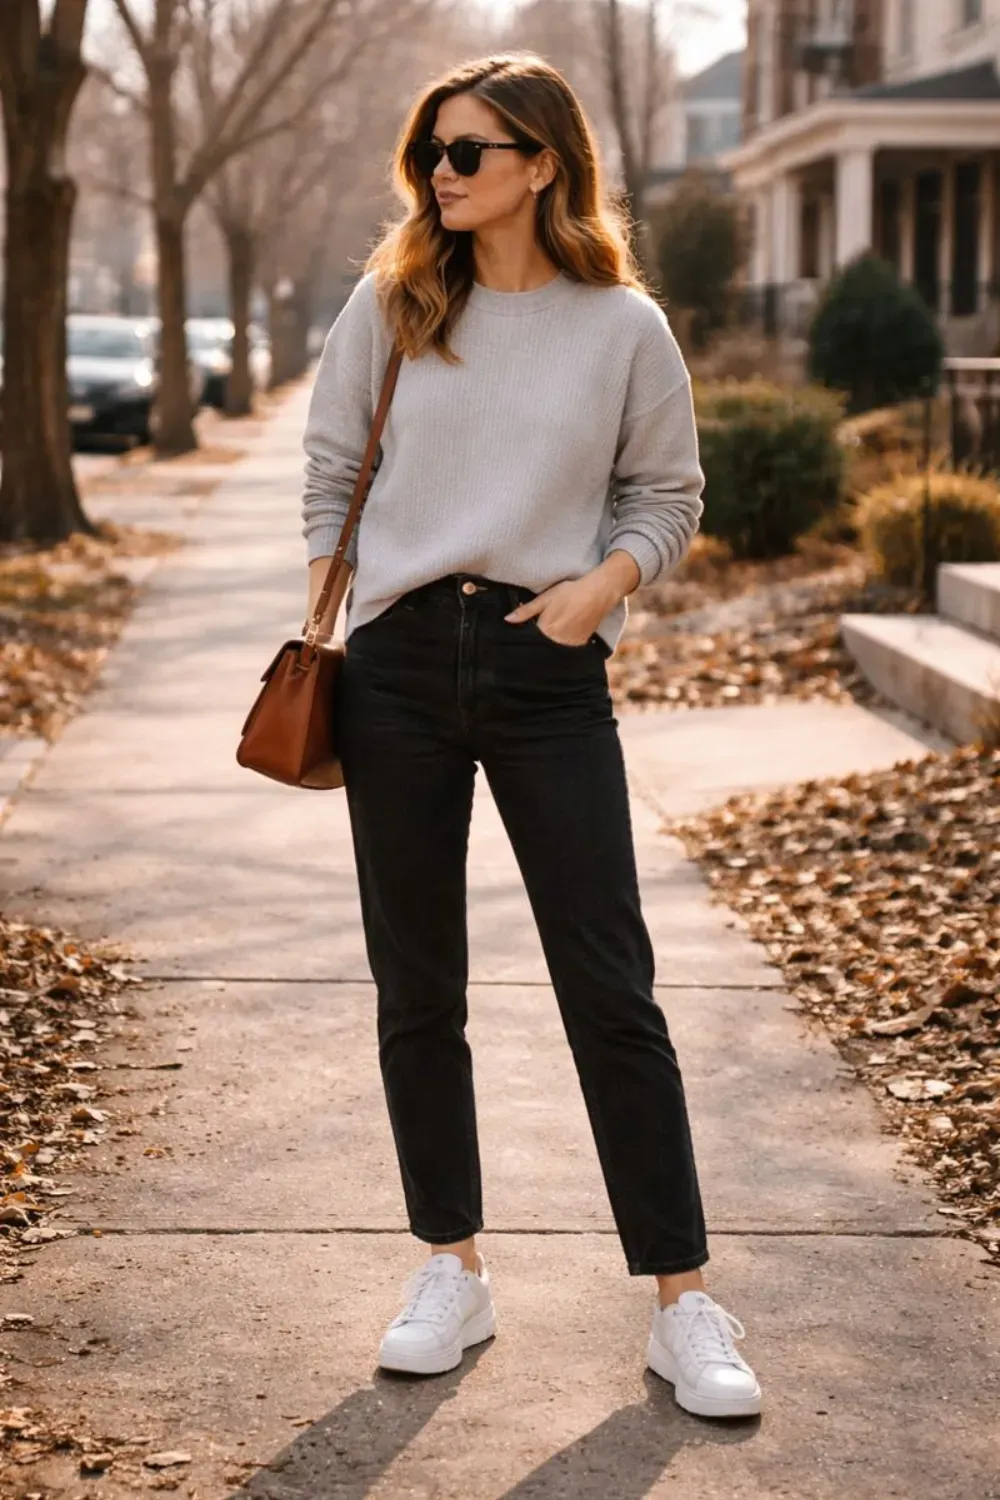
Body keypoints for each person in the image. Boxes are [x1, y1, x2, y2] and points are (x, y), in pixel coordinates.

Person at [300, 52, 761, 1420]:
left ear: (543, 164)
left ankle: (683, 1303)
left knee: (610, 982)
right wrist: (340, 602)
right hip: (394, 668)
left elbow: (667, 495)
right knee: (417, 985)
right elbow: (330, 470)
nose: (442, 173)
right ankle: (453, 1266)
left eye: (470, 151)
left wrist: (601, 590)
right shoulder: (390, 305)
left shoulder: (623, 327)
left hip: (546, 663)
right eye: (433, 151)